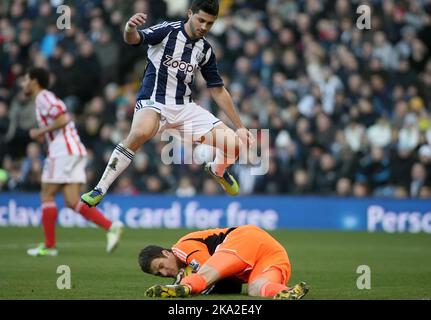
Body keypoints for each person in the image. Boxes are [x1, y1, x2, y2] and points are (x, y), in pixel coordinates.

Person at [81, 0, 255, 207]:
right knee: (140, 133)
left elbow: (217, 89)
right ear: (190, 13)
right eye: (201, 20)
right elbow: (134, 39)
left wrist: (241, 126)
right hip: (154, 101)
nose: (204, 27)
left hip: (184, 108)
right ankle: (100, 188)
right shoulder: (167, 31)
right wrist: (129, 27)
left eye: (210, 23)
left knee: (235, 144)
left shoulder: (205, 50)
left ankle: (217, 170)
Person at [22, 67, 124, 257]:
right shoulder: (44, 98)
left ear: (35, 81)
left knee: (47, 195)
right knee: (71, 201)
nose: (23, 84)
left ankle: (49, 246)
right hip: (74, 150)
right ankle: (111, 227)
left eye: (26, 79)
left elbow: (63, 118)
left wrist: (40, 132)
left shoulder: (43, 97)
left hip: (63, 151)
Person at [138, 225, 309, 299]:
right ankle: (288, 291)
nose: (165, 272)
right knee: (257, 288)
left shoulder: (181, 247)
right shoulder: (187, 265)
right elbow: (231, 287)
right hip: (271, 253)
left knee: (206, 274)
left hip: (245, 239)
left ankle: (184, 288)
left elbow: (209, 267)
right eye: (159, 274)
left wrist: (185, 282)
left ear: (166, 253)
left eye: (160, 266)